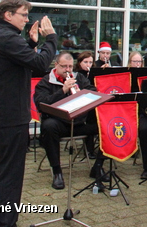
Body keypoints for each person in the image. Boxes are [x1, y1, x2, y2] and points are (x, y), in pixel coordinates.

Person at [0, 0, 57, 227]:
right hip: (11, 115)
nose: (26, 19)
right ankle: (4, 222)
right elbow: (41, 65)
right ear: (8, 14)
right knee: (10, 173)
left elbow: (15, 62)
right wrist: (50, 38)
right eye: (23, 14)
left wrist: (32, 44)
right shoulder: (7, 38)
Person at [34, 52, 107, 189]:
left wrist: (82, 93)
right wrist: (63, 90)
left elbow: (93, 91)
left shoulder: (79, 77)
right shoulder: (45, 82)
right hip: (59, 123)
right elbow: (41, 104)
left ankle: (97, 167)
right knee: (48, 127)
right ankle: (57, 172)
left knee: (106, 125)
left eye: (70, 66)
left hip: (79, 122)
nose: (68, 70)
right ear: (56, 65)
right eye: (64, 67)